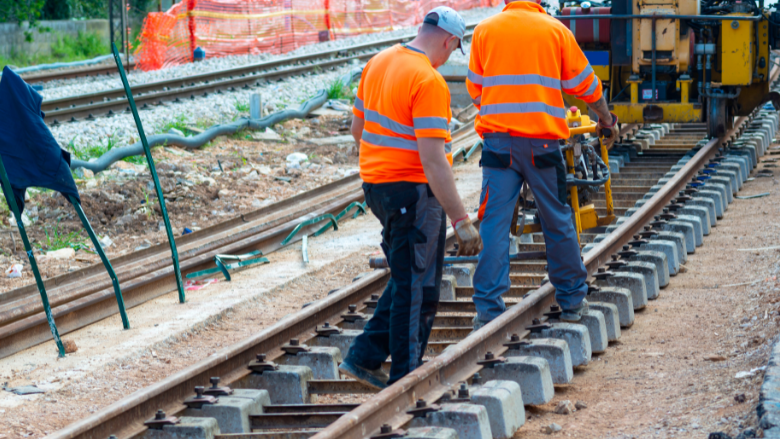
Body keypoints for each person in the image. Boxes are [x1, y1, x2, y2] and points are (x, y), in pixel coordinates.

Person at [338, 6, 483, 390]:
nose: (450, 55)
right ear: (450, 41)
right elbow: (434, 161)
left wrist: (387, 161)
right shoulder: (428, 80)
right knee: (419, 287)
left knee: (406, 278)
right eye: (454, 49)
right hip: (413, 194)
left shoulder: (379, 61)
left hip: (378, 188)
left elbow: (358, 128)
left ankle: (364, 357)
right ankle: (405, 380)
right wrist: (461, 220)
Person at [466, 0, 619, 328]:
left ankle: (488, 312)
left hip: (498, 145)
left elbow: (476, 90)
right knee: (556, 216)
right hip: (542, 145)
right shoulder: (555, 31)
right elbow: (588, 86)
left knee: (493, 223)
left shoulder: (484, 31)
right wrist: (606, 119)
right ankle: (573, 299)